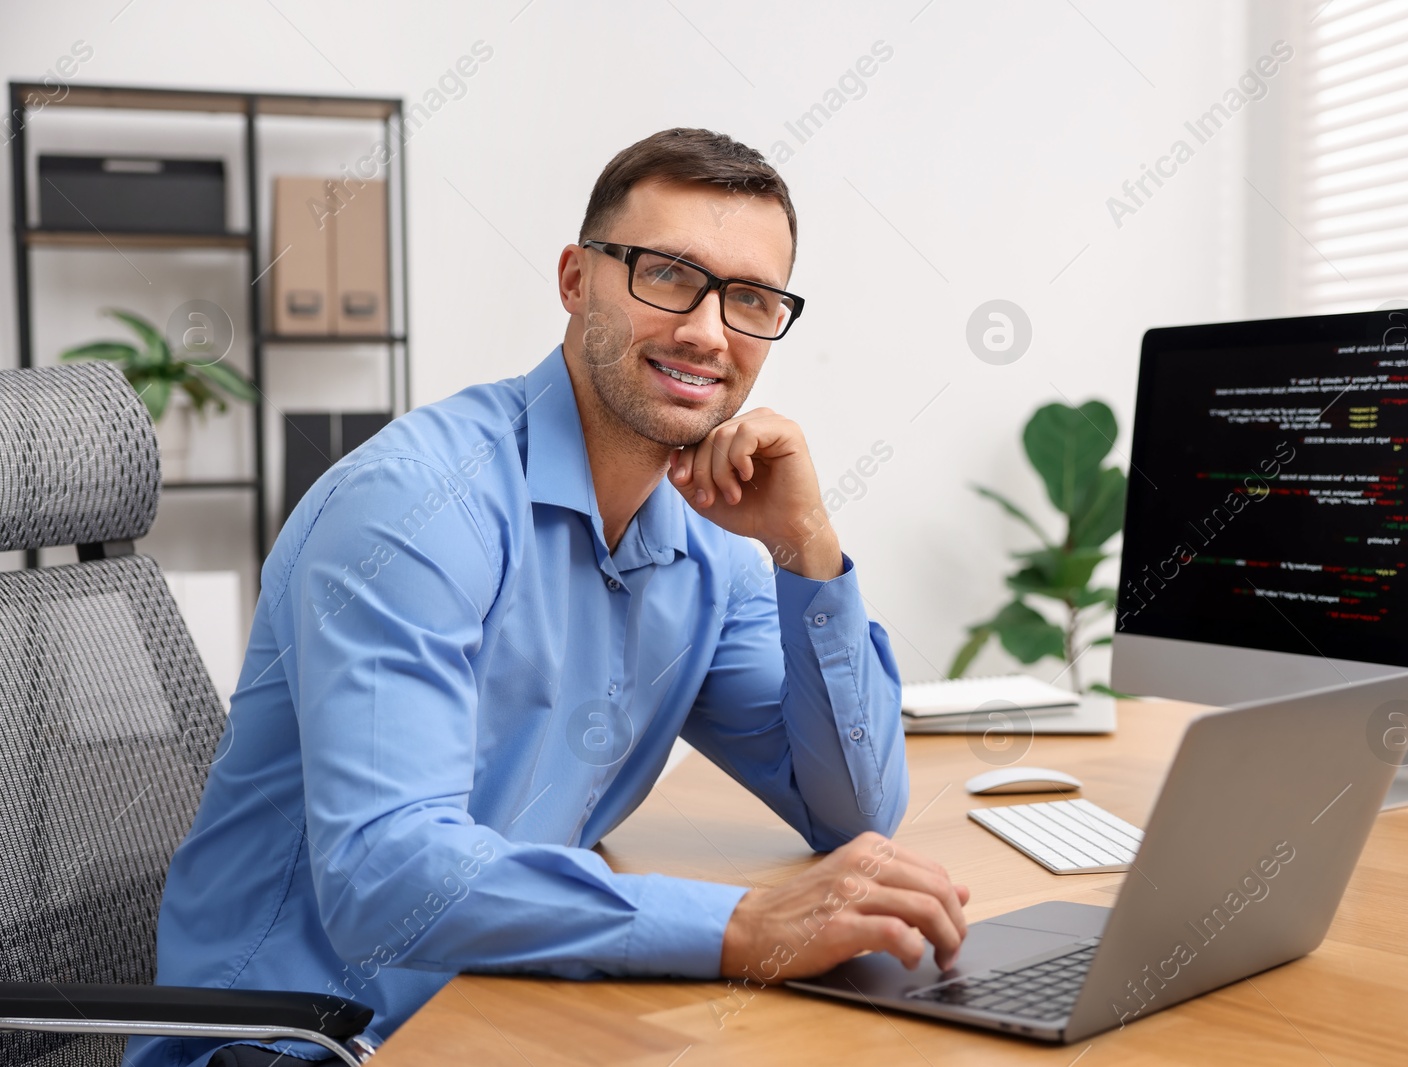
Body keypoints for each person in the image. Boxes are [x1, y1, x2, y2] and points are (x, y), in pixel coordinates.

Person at [123, 128, 968, 1067]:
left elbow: (851, 814)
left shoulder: (708, 545)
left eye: (751, 299)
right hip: (300, 1041)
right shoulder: (417, 504)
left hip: (494, 1006)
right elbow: (387, 876)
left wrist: (805, 547)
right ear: (576, 279)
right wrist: (744, 922)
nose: (706, 329)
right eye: (668, 274)